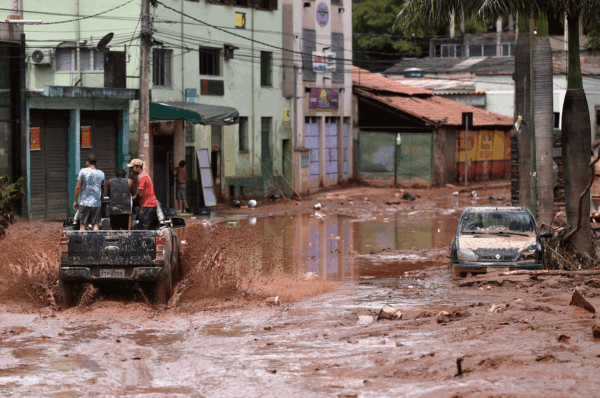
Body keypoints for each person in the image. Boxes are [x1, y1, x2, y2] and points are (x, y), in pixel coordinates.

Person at [73, 154, 105, 231]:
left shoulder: (83, 171)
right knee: (95, 225)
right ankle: (96, 242)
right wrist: (101, 198)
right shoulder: (101, 173)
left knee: (83, 225)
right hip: (96, 204)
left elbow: (78, 187)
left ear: (88, 163)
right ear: (95, 163)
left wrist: (75, 201)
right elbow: (102, 188)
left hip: (84, 203)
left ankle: (82, 242)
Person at [128, 158, 158, 230]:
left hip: (147, 206)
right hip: (150, 205)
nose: (131, 170)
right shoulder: (144, 175)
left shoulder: (141, 177)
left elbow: (140, 195)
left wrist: (132, 199)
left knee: (143, 230)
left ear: (138, 167)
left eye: (132, 168)